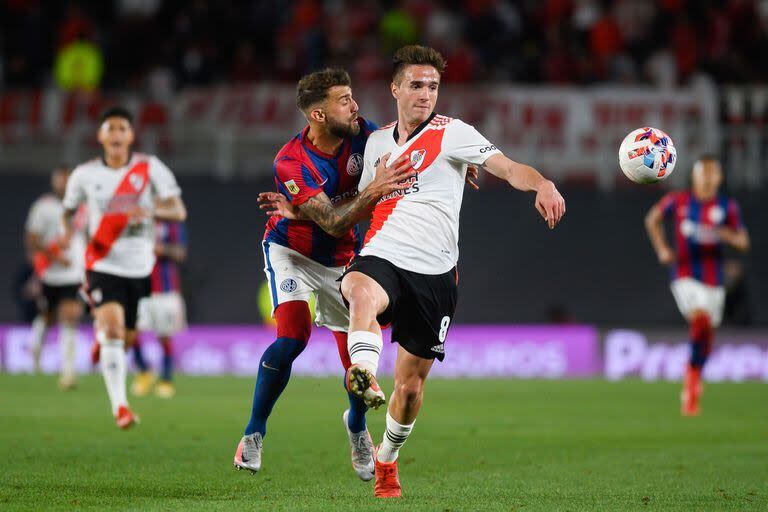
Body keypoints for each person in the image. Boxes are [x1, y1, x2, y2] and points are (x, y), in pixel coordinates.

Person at [338, 45, 565, 498]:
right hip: (384, 252)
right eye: (417, 85)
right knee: (359, 287)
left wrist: (541, 182)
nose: (425, 94)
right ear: (396, 88)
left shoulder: (454, 133)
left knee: (409, 388)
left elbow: (507, 166)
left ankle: (386, 458)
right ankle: (362, 372)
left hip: (436, 273)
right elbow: (359, 205)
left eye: (433, 86)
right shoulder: (377, 142)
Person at [233, 67, 414, 479]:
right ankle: (253, 433)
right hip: (290, 251)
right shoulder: (290, 161)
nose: (356, 106)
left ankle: (355, 427)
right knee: (292, 337)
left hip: (343, 259)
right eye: (344, 100)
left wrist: (454, 166)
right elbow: (332, 222)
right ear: (317, 115)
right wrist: (374, 189)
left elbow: (413, 145)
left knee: (355, 357)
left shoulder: (364, 134)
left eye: (352, 97)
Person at [61, 106, 187, 429]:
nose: (116, 133)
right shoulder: (85, 174)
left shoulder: (149, 168)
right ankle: (121, 407)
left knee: (127, 339)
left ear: (131, 135)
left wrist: (146, 208)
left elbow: (178, 210)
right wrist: (69, 237)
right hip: (102, 264)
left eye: (122, 128)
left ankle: (104, 341)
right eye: (110, 128)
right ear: (101, 136)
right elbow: (69, 210)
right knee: (115, 330)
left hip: (140, 269)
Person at [645, 155, 749, 416]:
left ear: (719, 178)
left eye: (711, 173)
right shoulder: (678, 201)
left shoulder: (727, 207)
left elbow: (744, 242)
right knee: (700, 319)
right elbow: (652, 219)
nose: (706, 178)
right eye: (702, 173)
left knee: (706, 335)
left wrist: (727, 235)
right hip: (684, 273)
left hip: (714, 278)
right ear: (694, 176)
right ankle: (691, 380)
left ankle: (694, 376)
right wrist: (661, 249)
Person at [25, 165, 86, 389]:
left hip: (74, 273)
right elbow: (32, 240)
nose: (63, 185)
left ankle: (68, 372)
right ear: (54, 182)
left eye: (67, 180)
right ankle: (35, 355)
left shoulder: (84, 209)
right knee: (47, 317)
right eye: (60, 180)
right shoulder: (43, 207)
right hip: (51, 273)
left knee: (70, 316)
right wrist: (54, 257)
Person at [131, 220, 188, 398]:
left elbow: (181, 252)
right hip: (138, 286)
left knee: (164, 335)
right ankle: (144, 370)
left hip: (165, 289)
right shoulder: (135, 220)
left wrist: (162, 250)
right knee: (130, 330)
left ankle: (166, 378)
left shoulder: (170, 223)